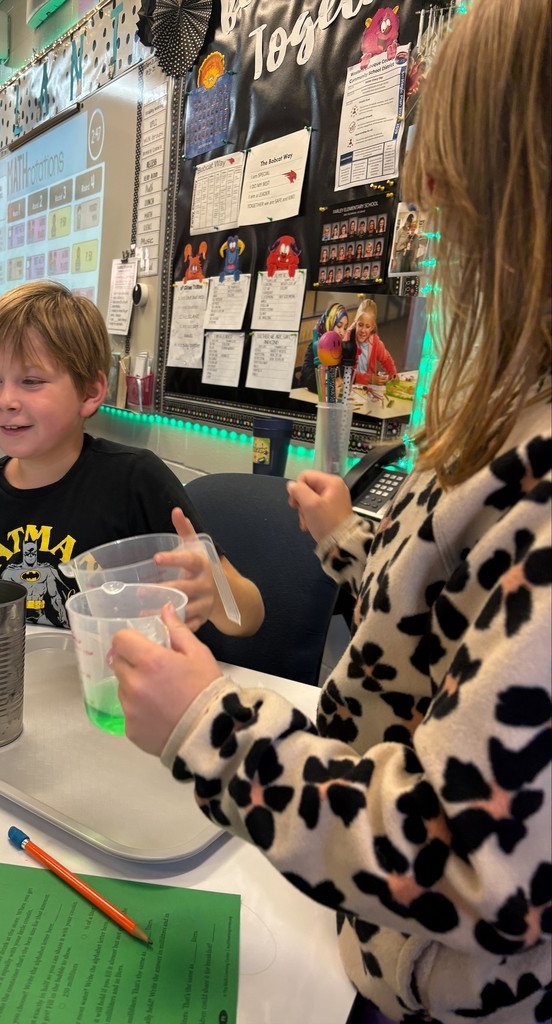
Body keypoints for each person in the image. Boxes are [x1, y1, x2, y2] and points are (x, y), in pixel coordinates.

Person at [110, 2, 552, 1023]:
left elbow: (463, 859)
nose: (427, 199)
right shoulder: (511, 408)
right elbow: (460, 616)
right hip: (375, 930)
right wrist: (352, 542)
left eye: (452, 165)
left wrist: (208, 720)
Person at [0, 280, 265, 635]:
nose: (6, 400)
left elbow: (247, 617)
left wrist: (214, 594)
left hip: (119, 682)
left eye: (31, 381)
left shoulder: (135, 481)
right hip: (13, 684)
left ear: (91, 391)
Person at [298, 302, 349, 392]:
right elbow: (309, 380)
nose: (342, 332)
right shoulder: (313, 347)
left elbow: (343, 374)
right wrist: (329, 385)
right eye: (339, 326)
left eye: (345, 328)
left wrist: (340, 380)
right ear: (328, 324)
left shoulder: (339, 348)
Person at [350, 298, 397, 385]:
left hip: (369, 388)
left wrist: (392, 373)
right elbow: (346, 372)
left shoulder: (375, 342)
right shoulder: (348, 339)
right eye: (360, 325)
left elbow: (386, 359)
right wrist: (369, 379)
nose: (363, 330)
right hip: (350, 386)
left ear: (372, 327)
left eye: (367, 326)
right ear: (355, 322)